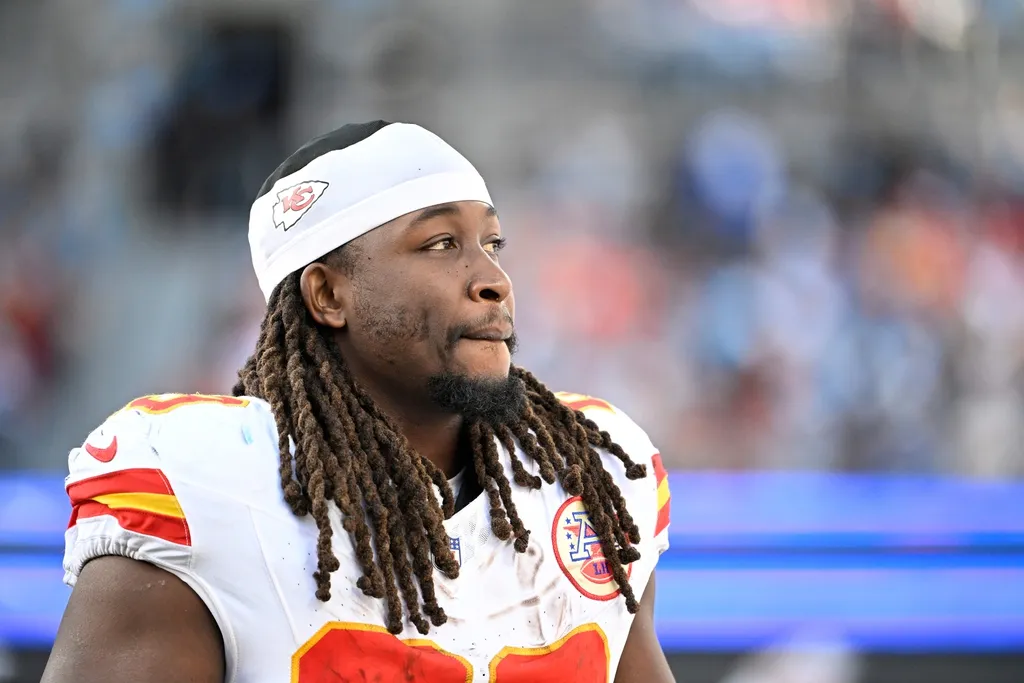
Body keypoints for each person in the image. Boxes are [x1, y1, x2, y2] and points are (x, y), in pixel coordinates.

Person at [41, 121, 674, 682]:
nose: (494, 280)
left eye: (492, 244)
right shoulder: (203, 485)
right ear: (328, 295)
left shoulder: (595, 472)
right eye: (440, 245)